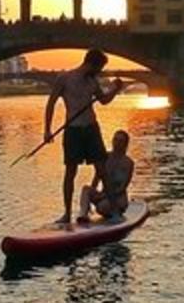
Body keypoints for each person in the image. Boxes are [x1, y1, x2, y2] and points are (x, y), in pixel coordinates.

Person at [44, 49, 124, 224]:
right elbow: (50, 103)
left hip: (91, 130)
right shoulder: (64, 78)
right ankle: (66, 214)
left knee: (102, 171)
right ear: (92, 63)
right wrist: (47, 130)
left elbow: (103, 100)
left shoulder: (92, 82)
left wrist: (115, 89)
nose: (100, 71)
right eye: (100, 67)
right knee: (70, 172)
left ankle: (115, 212)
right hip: (73, 131)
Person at [77, 130, 134, 224]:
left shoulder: (128, 163)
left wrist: (105, 196)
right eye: (115, 140)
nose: (117, 143)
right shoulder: (105, 157)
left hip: (118, 199)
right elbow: (96, 178)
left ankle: (115, 213)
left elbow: (123, 187)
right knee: (86, 189)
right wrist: (92, 197)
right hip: (103, 196)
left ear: (125, 144)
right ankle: (83, 215)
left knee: (102, 207)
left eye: (120, 141)